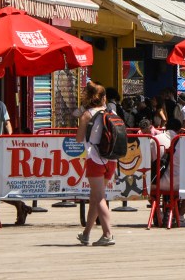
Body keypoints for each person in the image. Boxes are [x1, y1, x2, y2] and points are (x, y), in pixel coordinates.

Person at [76, 82, 116, 246]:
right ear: (104, 98)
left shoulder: (87, 114)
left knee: (99, 197)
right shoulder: (111, 112)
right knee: (95, 197)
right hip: (111, 159)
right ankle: (86, 234)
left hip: (94, 159)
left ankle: (108, 234)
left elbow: (79, 139)